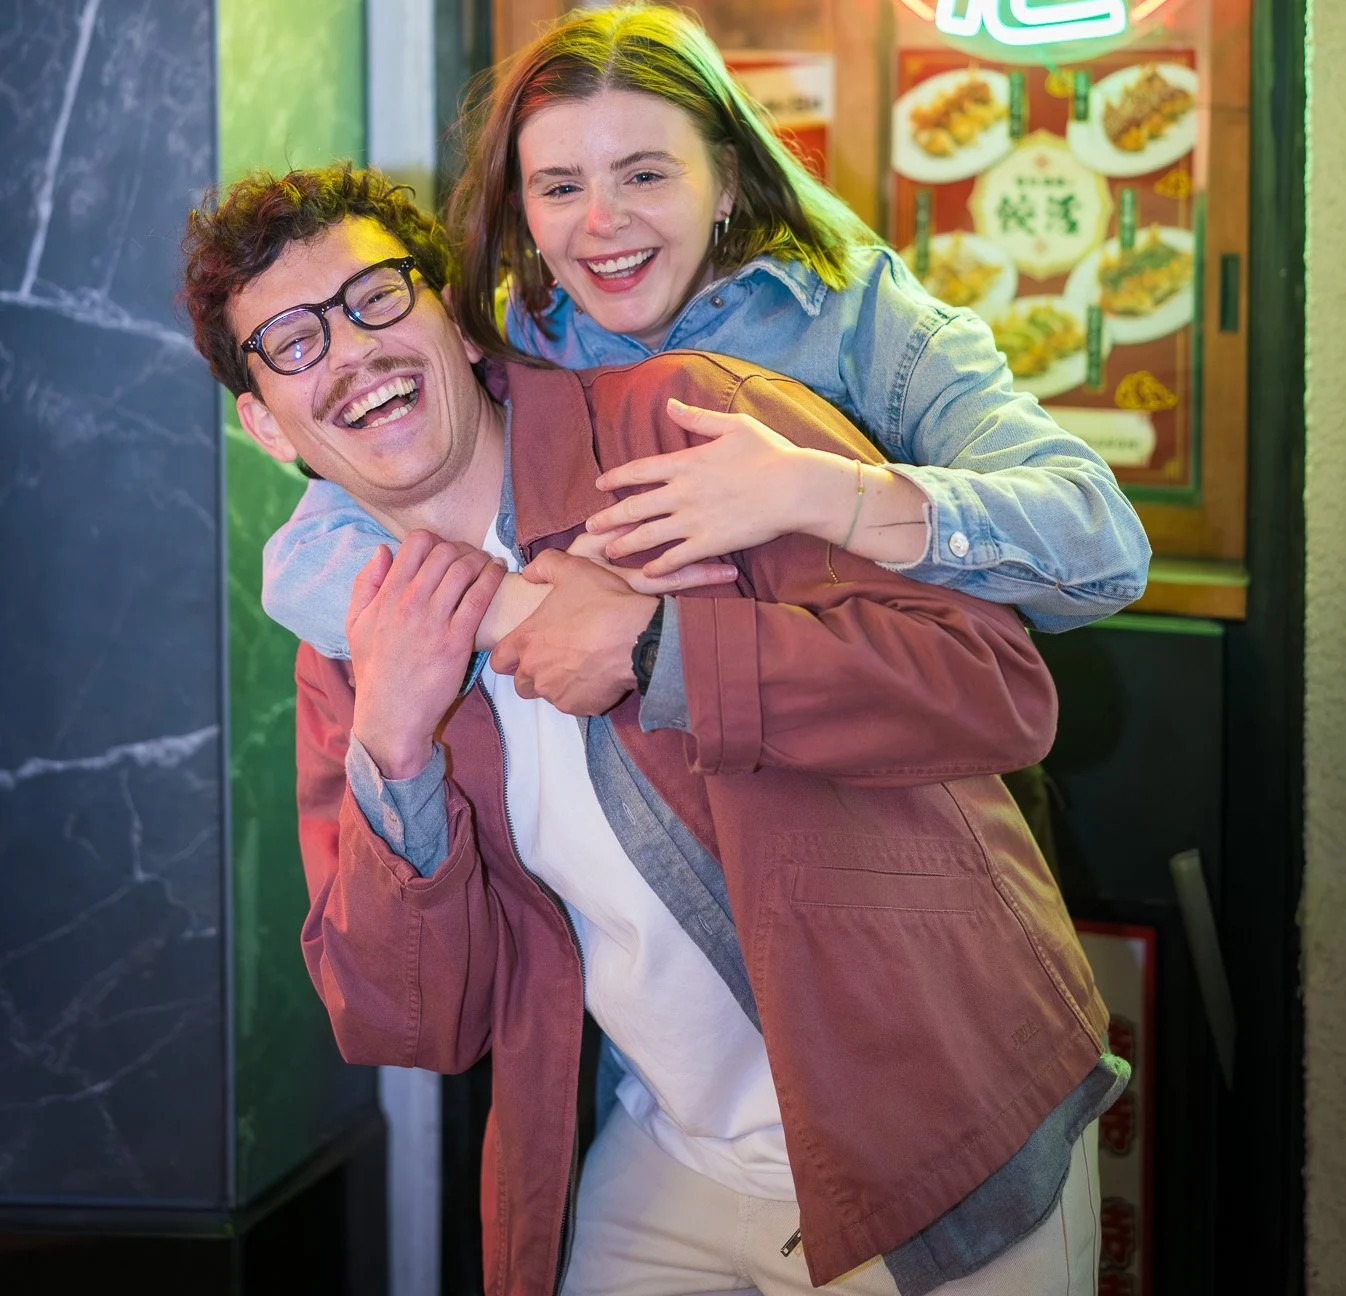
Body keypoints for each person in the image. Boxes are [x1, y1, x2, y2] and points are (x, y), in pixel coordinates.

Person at [181, 164, 1124, 1296]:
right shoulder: (352, 636)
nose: (350, 351)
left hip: (938, 1135)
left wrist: (656, 651)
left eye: (377, 296)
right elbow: (417, 1020)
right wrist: (392, 745)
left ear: (453, 313)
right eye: (290, 340)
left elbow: (994, 687)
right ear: (261, 420)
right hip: (673, 1157)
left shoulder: (684, 419)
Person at [262, 1, 1148, 666]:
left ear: (724, 180)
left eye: (644, 174)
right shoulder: (506, 336)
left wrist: (815, 492)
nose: (601, 223)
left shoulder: (856, 317)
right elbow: (304, 561)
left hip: (890, 811)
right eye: (560, 187)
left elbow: (1100, 548)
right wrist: (531, 618)